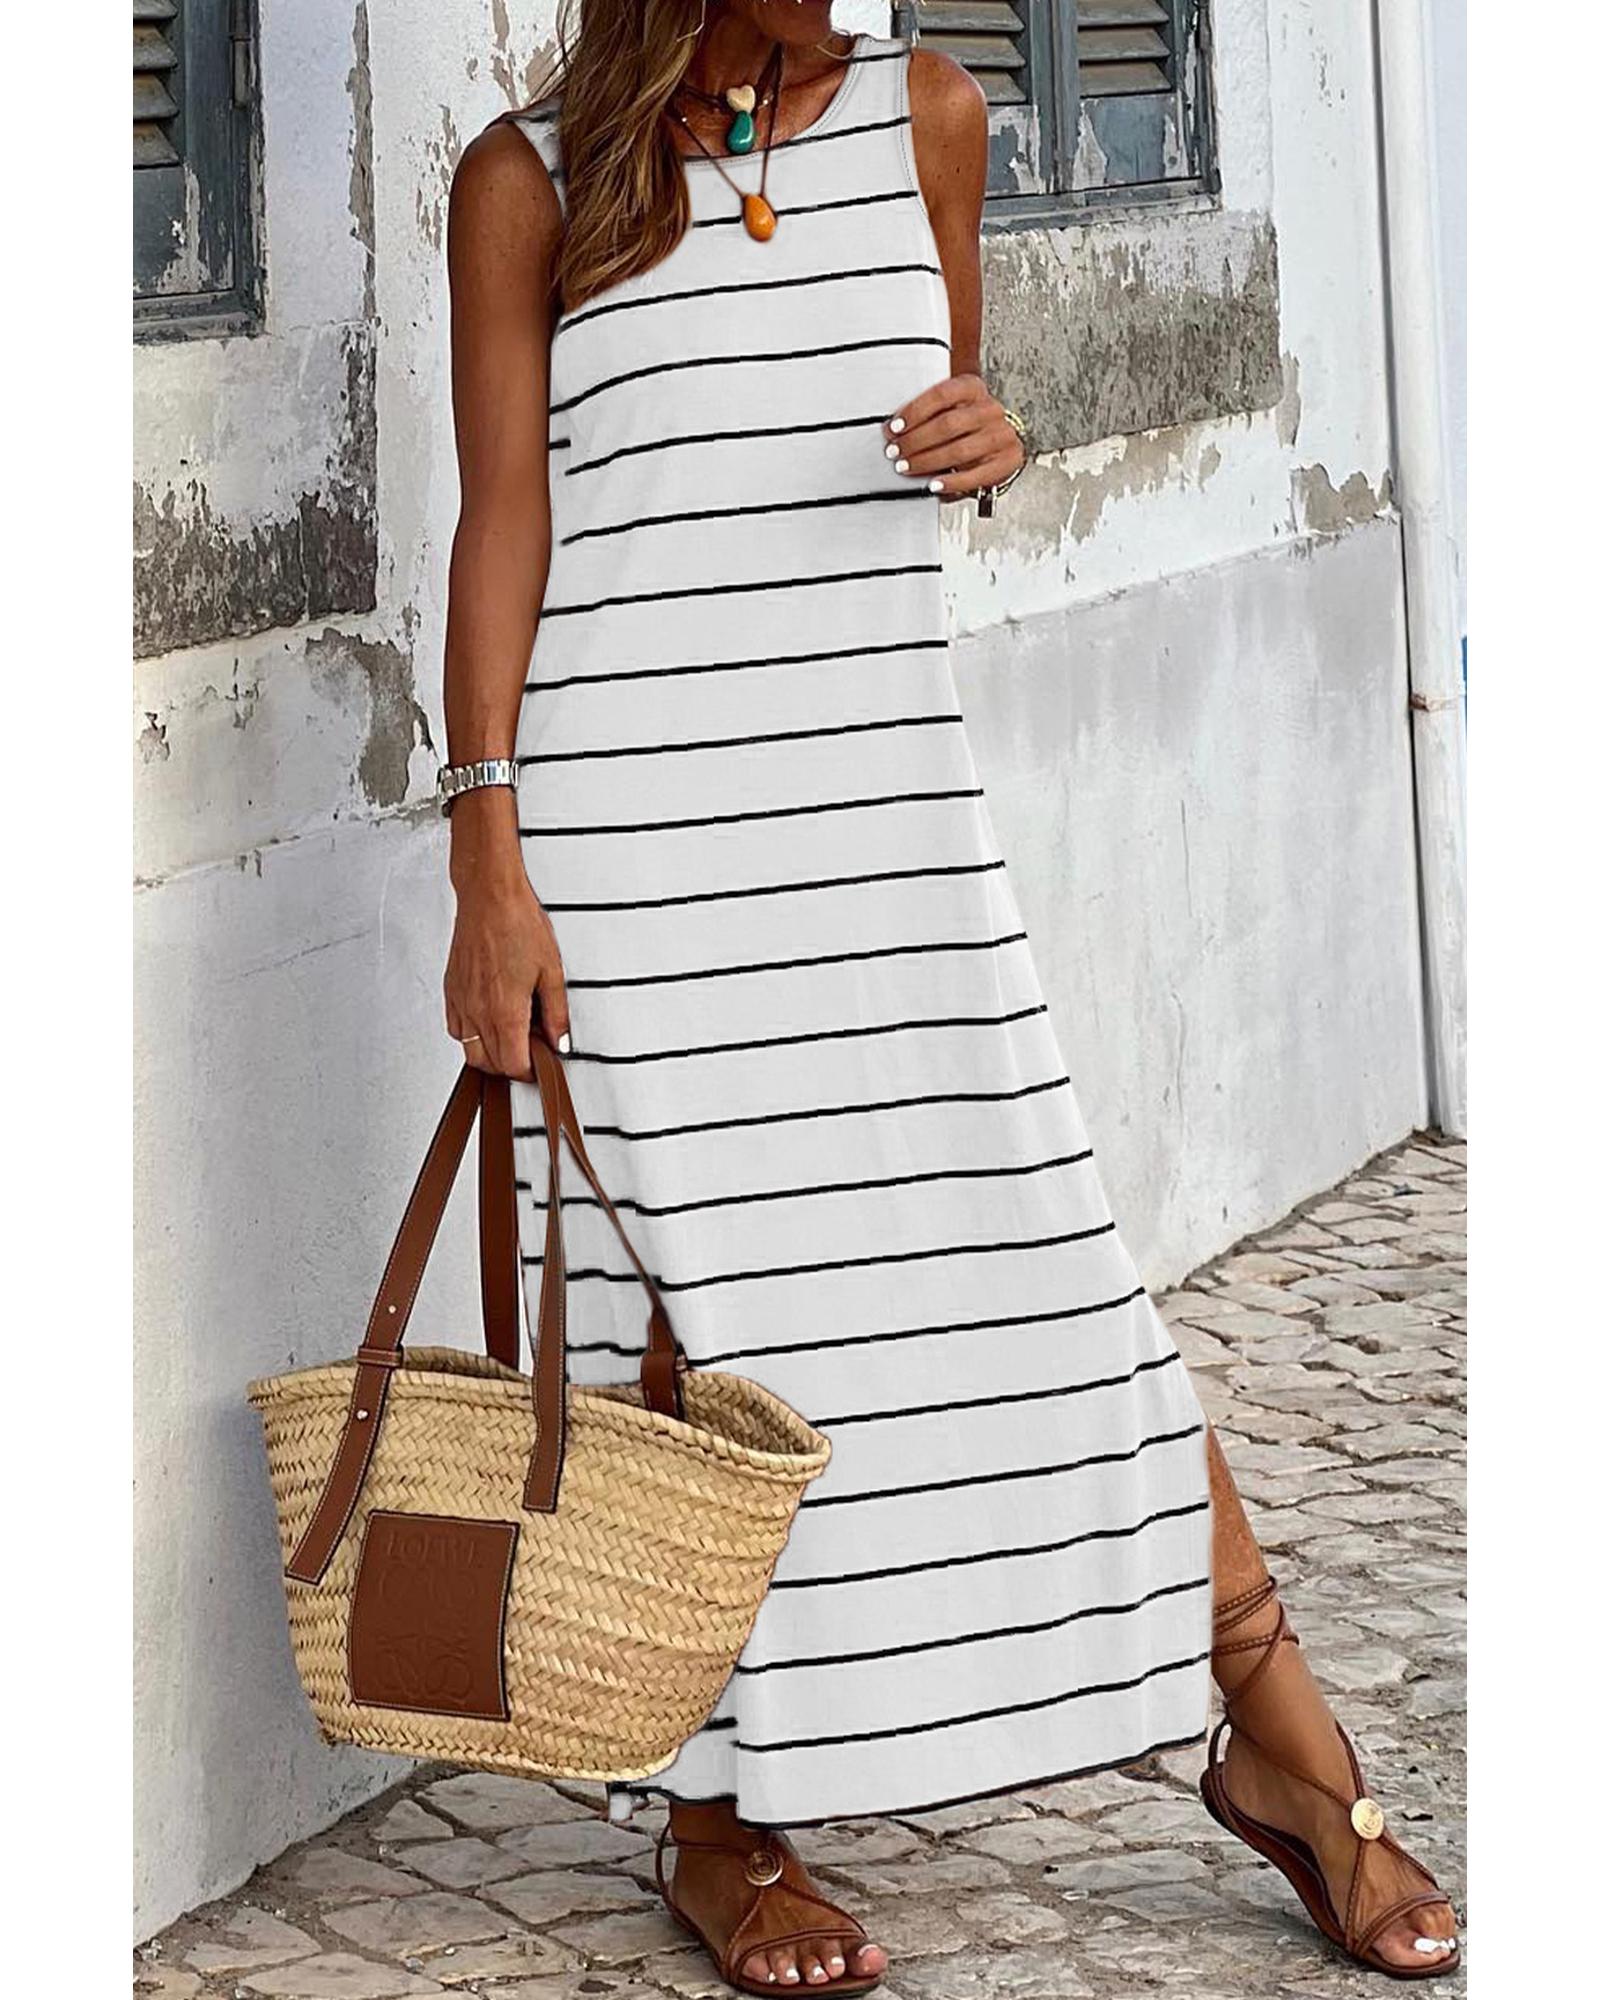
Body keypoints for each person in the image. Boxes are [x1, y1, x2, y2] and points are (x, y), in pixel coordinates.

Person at [437, 3, 1460, 1990]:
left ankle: (1278, 1744)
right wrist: (487, 861)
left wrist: (991, 442)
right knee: (692, 1329)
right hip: (633, 847)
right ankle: (718, 1824)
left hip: (884, 817)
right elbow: (503, 524)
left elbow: (945, 420)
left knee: (1041, 1269)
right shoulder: (525, 183)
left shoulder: (926, 114)